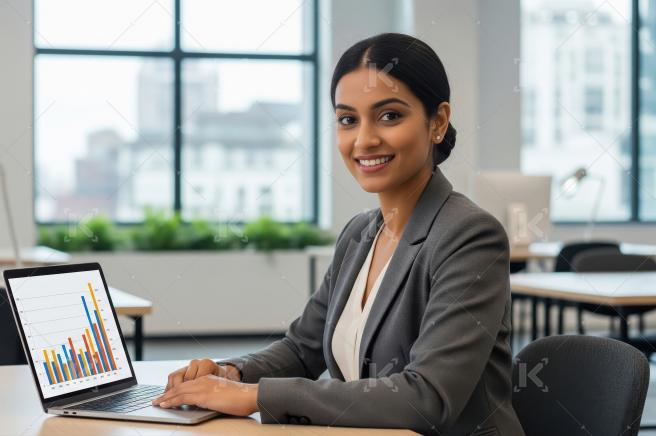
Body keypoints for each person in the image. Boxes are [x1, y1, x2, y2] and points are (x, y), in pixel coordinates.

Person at [151, 32, 524, 435]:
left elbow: (427, 397)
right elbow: (302, 347)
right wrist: (231, 373)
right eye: (348, 120)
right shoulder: (360, 234)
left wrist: (254, 396)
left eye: (389, 116)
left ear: (437, 122)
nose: (364, 139)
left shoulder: (469, 236)